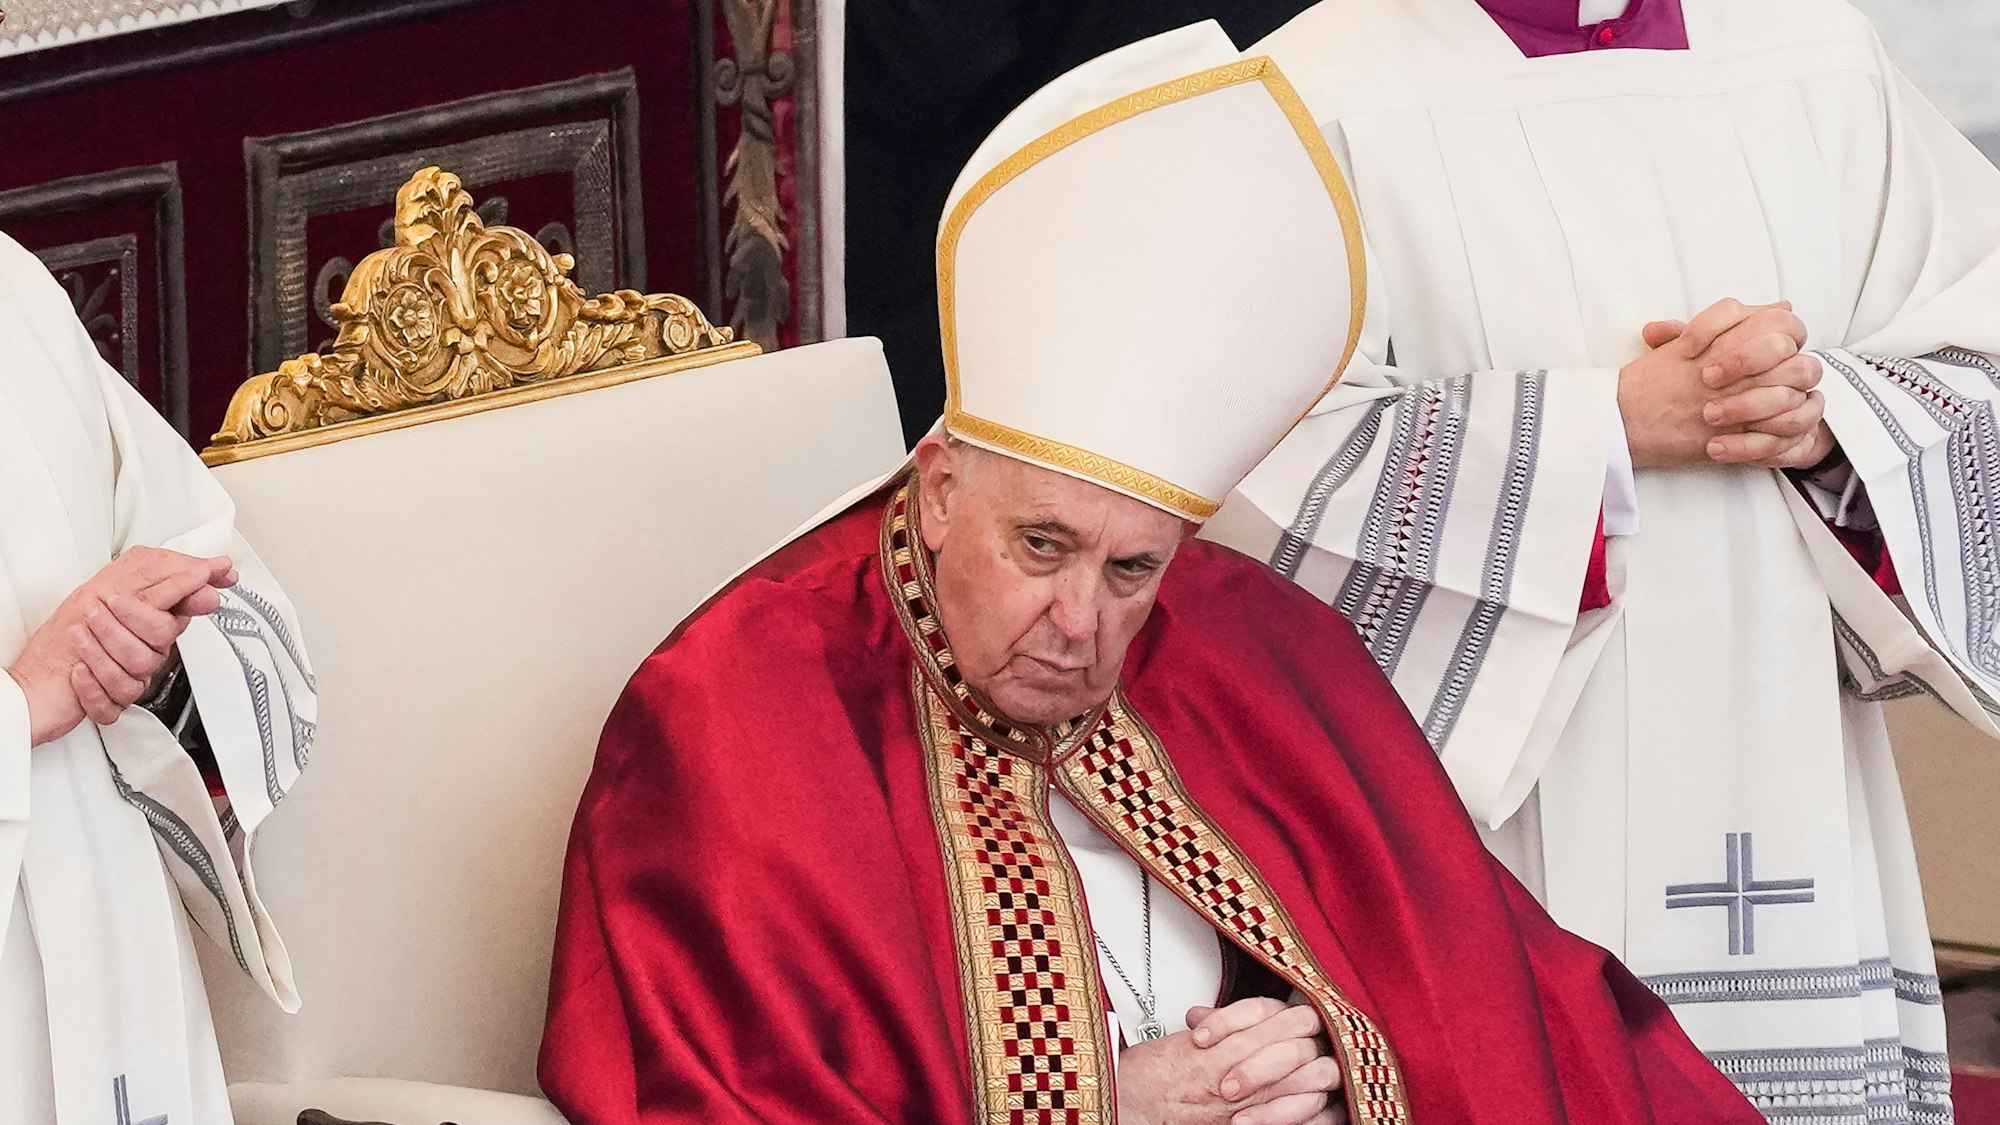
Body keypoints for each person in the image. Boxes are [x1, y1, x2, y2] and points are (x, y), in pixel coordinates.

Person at [538, 23, 1761, 1124]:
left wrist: (1334, 1066)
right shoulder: (734, 715)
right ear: (939, 487)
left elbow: (1489, 996)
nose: (1078, 622)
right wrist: (1097, 1111)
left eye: (1129, 569)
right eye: (1039, 547)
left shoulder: (1239, 639)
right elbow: (717, 1096)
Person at [1201, 0, 2000, 1117]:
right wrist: (1600, 429)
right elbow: (1248, 464)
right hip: (1510, 799)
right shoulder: (1308, 93)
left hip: (1793, 759)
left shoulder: (1817, 54)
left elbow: (1973, 350)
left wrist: (1831, 420)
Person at [0, 233, 316, 1122]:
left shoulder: (13, 287)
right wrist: (19, 704)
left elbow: (196, 554)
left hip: (112, 921)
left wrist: (151, 646)